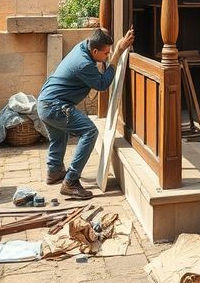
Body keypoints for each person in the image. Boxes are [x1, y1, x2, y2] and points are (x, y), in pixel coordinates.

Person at [38, 27, 134, 199]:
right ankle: (71, 182)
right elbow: (103, 84)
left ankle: (54, 172)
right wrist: (117, 53)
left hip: (45, 103)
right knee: (89, 131)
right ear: (95, 50)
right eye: (105, 53)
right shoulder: (83, 64)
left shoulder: (83, 46)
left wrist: (104, 33)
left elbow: (99, 35)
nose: (107, 56)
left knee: (59, 136)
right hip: (54, 105)